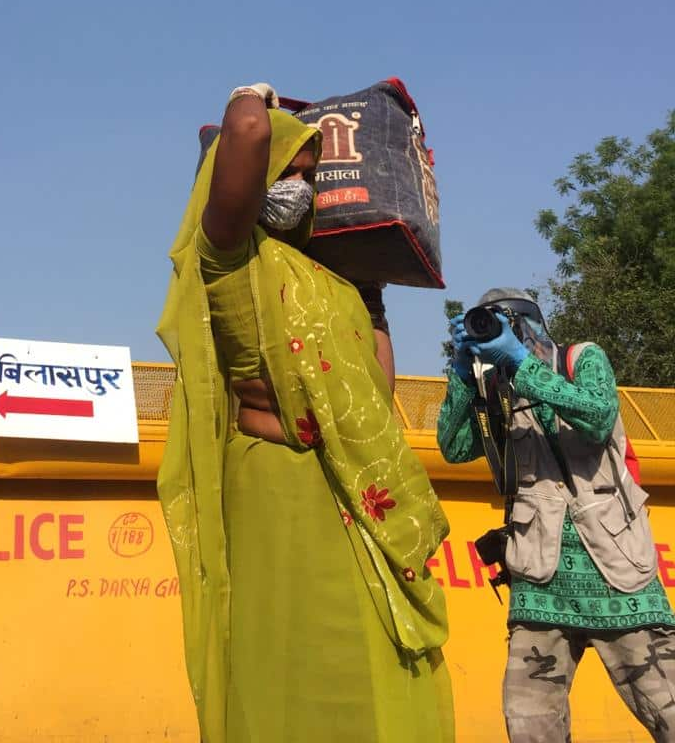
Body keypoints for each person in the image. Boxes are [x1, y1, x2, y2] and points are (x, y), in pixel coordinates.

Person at [157, 83, 453, 743]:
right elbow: (248, 134)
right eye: (288, 174)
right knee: (285, 658)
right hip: (274, 486)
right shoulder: (229, 257)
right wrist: (251, 96)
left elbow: (375, 391)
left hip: (349, 491)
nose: (300, 188)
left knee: (370, 645)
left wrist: (372, 299)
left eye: (310, 177)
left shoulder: (333, 284)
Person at [438, 287, 675, 743]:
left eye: (501, 324)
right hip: (539, 579)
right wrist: (462, 376)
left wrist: (523, 364)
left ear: (527, 322)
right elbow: (454, 447)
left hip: (619, 572)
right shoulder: (496, 391)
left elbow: (598, 415)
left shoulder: (582, 358)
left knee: (666, 707)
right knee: (530, 726)